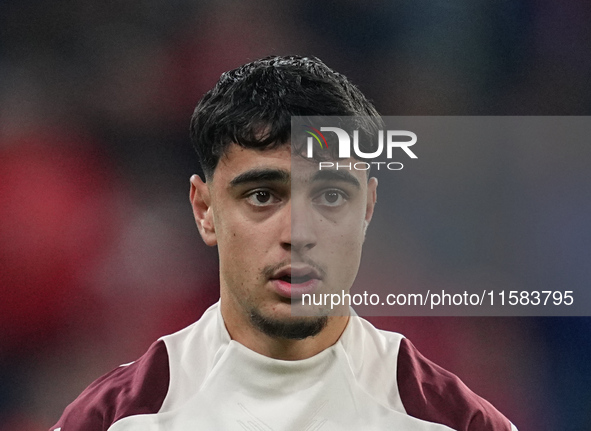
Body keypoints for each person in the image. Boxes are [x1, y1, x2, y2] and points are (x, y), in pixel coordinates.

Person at [50, 56, 517, 431]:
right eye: (261, 195)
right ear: (204, 210)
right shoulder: (112, 420)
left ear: (368, 209)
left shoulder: (456, 422)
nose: (298, 234)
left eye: (331, 196)